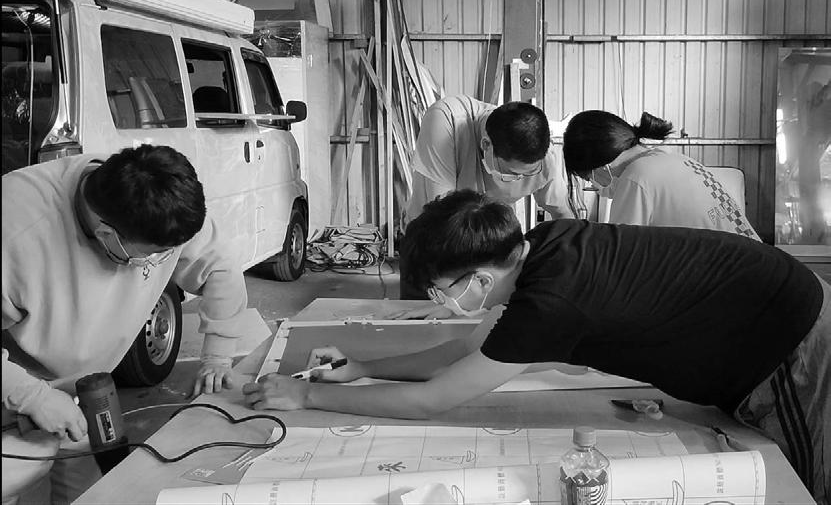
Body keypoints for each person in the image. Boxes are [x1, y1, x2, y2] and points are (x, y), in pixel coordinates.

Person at [243, 190, 829, 503]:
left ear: (479, 278)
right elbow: (464, 352)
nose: (441, 302)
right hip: (767, 305)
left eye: (441, 290)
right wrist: (361, 368)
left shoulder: (549, 304)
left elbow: (434, 400)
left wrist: (305, 397)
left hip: (794, 341)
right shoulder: (541, 246)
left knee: (801, 484)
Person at [2, 145, 248, 504]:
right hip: (13, 392)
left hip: (84, 391)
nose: (162, 261)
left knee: (94, 494)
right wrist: (30, 395)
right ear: (107, 234)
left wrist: (218, 358)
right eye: (151, 255)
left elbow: (220, 267)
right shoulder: (16, 226)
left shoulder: (158, 203)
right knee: (19, 483)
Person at [398, 95, 571, 303]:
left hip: (485, 257)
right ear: (486, 144)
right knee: (423, 316)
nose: (519, 179)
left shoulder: (543, 157)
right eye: (511, 174)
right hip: (432, 250)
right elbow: (445, 216)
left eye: (527, 174)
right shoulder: (447, 120)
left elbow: (564, 217)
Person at [562, 110, 760, 240]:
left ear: (601, 165)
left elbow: (621, 254)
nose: (594, 186)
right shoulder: (675, 159)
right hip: (759, 266)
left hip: (735, 281)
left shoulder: (636, 178)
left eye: (588, 178)